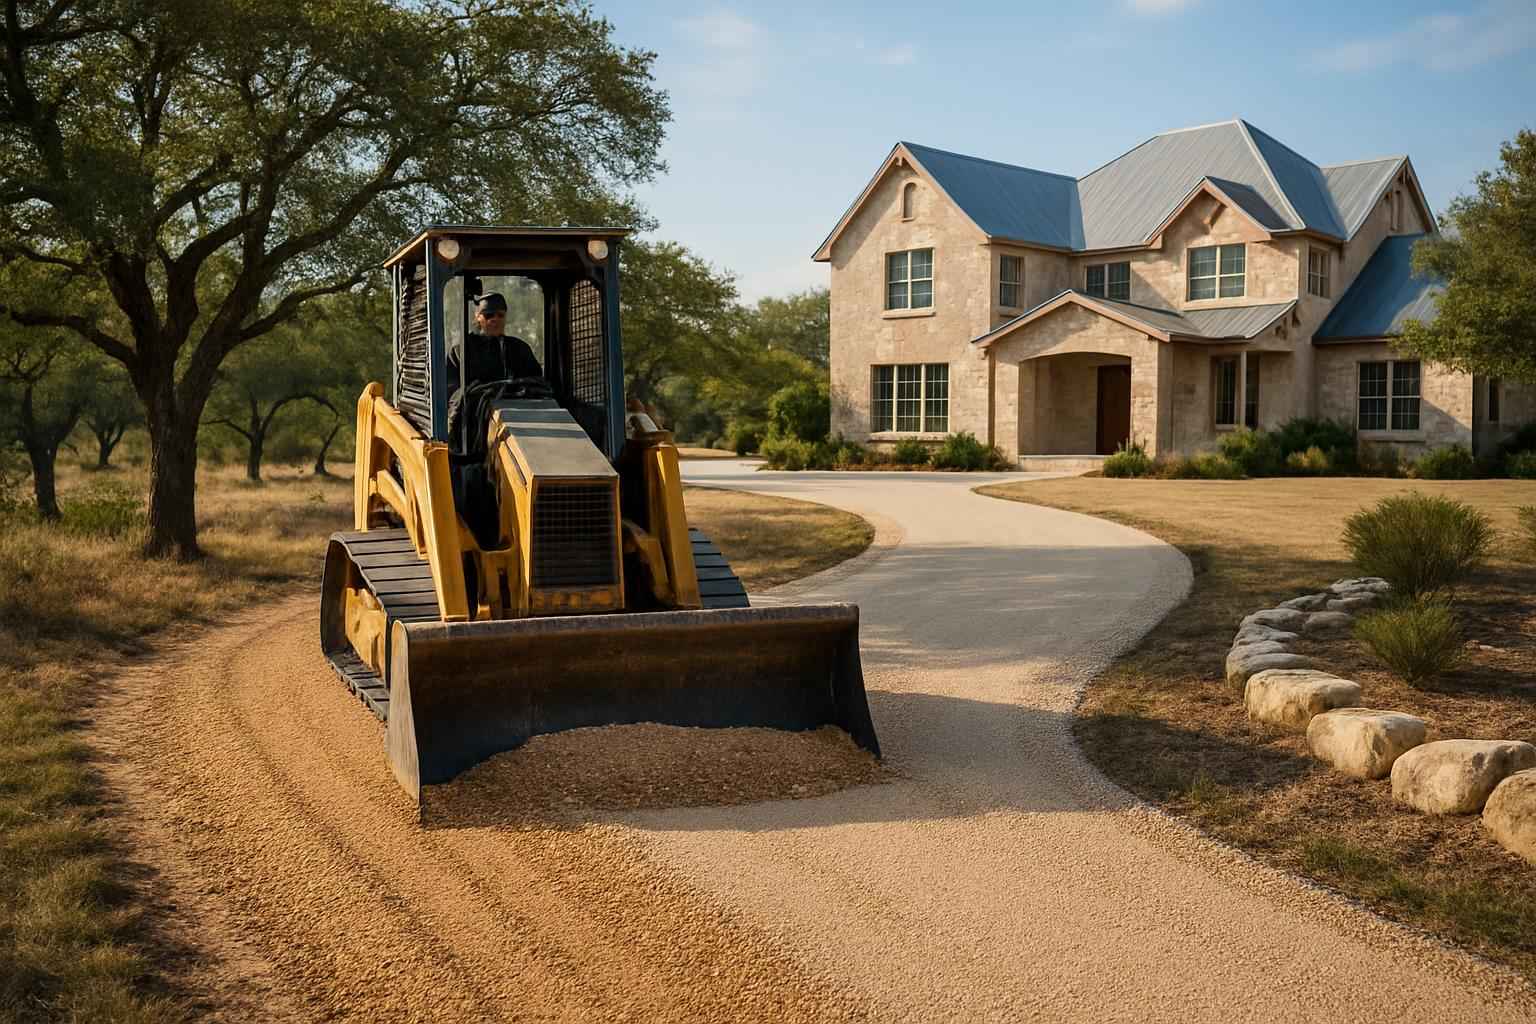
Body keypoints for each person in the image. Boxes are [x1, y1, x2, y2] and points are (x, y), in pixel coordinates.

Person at [446, 292, 542, 402]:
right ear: (478, 317)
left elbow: (536, 383)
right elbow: (451, 390)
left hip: (516, 408)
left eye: (500, 315)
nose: (495, 319)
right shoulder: (461, 350)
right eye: (489, 315)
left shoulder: (520, 349)